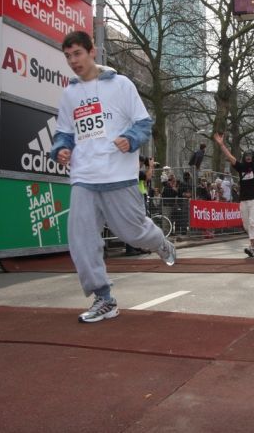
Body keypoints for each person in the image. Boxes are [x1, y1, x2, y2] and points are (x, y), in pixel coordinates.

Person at [51, 30, 176, 324]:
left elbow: (143, 124)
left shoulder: (121, 85)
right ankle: (104, 298)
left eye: (77, 54)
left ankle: (159, 241)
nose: (73, 61)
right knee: (81, 239)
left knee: (133, 234)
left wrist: (130, 139)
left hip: (118, 175)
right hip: (84, 176)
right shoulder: (69, 94)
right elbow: (64, 133)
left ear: (92, 51)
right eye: (68, 56)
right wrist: (61, 149)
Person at [214, 132, 254, 257]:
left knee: (252, 222)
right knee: (246, 225)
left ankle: (251, 247)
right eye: (246, 155)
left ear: (253, 157)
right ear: (244, 157)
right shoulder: (241, 167)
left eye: (250, 155)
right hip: (243, 200)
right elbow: (230, 157)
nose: (248, 157)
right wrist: (221, 144)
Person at [124, 156, 156, 257]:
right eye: (141, 162)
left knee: (139, 223)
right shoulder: (134, 171)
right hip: (135, 199)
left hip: (137, 198)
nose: (141, 165)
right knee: (134, 223)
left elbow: (147, 179)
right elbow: (148, 177)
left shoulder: (133, 171)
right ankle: (130, 248)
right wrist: (150, 166)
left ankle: (137, 246)